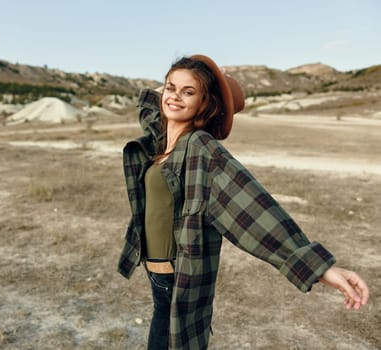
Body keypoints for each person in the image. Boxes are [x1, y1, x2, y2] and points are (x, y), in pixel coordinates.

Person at [117, 54, 369, 350]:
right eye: (170, 87)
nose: (174, 96)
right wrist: (183, 84)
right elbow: (151, 106)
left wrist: (318, 267)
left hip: (176, 276)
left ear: (205, 103)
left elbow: (254, 207)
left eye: (189, 92)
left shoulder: (201, 147)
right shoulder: (163, 140)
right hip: (158, 277)